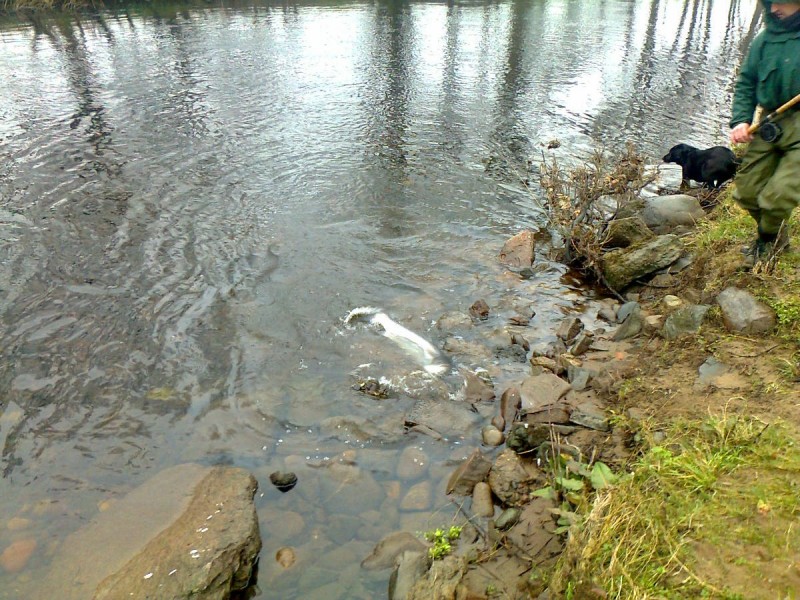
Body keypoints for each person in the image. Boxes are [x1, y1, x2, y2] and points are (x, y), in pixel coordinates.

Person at [729, 1, 800, 268]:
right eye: (770, 3)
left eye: (781, 2)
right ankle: (777, 233)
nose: (773, 9)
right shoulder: (764, 40)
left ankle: (767, 241)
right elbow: (746, 81)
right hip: (770, 121)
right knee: (746, 191)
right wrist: (740, 121)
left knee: (778, 194)